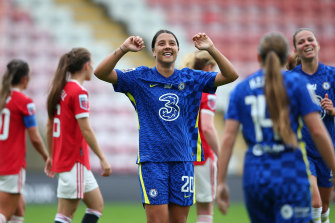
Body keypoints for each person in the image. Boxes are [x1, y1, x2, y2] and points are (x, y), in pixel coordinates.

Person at [94, 30, 238, 223]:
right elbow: (100, 73)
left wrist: (211, 48)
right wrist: (123, 49)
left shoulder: (191, 78)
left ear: (178, 49)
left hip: (184, 161)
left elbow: (231, 75)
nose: (167, 46)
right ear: (153, 51)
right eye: (161, 43)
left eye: (172, 43)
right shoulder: (140, 77)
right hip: (153, 162)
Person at [216, 32, 335, 223]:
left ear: (258, 58)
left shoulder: (241, 89)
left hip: (255, 176)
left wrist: (221, 182)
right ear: (287, 56)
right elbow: (317, 131)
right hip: (289, 172)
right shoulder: (296, 84)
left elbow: (228, 138)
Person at [45, 48, 112, 223]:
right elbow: (86, 129)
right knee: (65, 215)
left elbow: (49, 126)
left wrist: (52, 155)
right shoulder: (78, 92)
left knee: (96, 206)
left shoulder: (60, 90)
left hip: (66, 159)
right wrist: (102, 157)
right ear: (86, 66)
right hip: (74, 159)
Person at [287, 28, 335, 223]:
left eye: (310, 39)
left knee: (323, 206)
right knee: (314, 202)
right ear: (296, 50)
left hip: (327, 149)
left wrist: (333, 111)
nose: (306, 43)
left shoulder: (332, 75)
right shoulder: (290, 79)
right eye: (301, 42)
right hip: (302, 150)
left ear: (317, 43)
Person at [0, 59, 50, 223]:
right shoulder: (24, 102)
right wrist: (46, 156)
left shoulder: (2, 98)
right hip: (11, 165)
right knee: (4, 214)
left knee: (19, 209)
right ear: (24, 79)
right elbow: (35, 137)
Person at [180, 50, 219, 223]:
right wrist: (221, 155)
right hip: (202, 156)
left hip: (181, 157)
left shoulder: (184, 90)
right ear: (209, 68)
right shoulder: (208, 92)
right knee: (205, 207)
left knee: (180, 208)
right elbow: (208, 128)